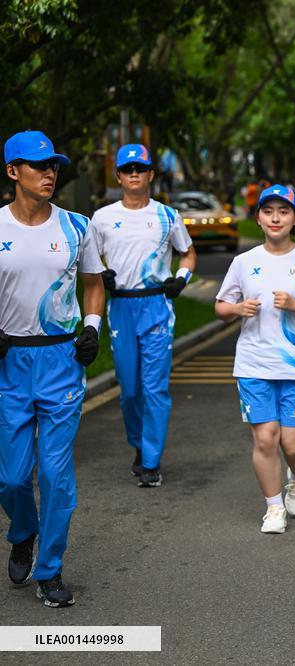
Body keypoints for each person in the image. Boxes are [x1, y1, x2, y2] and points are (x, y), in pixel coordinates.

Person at [0, 130, 105, 607]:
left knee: (55, 475)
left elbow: (94, 283)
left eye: (53, 166)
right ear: (12, 171)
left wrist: (92, 327)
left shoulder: (78, 226)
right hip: (9, 362)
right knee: (13, 478)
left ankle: (51, 569)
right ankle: (23, 531)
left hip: (62, 360)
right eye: (38, 165)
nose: (49, 173)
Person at [215, 185, 295, 535]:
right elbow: (221, 307)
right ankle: (273, 507)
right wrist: (237, 308)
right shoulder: (244, 262)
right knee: (266, 438)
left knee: (293, 445)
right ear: (259, 218)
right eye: (269, 211)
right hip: (254, 363)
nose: (276, 217)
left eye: (283, 211)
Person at [91, 144, 197, 487]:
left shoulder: (168, 216)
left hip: (156, 306)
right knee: (130, 388)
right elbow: (93, 261)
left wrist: (180, 279)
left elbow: (188, 253)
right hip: (121, 306)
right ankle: (138, 445)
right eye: (128, 169)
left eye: (141, 169)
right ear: (119, 176)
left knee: (154, 387)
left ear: (150, 175)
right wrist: (101, 274)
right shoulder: (103, 217)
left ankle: (151, 461)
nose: (135, 174)